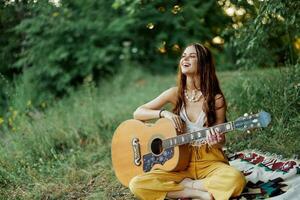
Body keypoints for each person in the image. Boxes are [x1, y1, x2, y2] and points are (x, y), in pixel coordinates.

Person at [129, 43, 246, 200]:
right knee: (136, 184)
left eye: (192, 56)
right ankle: (191, 191)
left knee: (236, 179)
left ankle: (186, 185)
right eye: (183, 55)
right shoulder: (175, 93)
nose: (185, 58)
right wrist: (164, 114)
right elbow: (138, 113)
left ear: (203, 63)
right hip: (177, 162)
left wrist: (215, 142)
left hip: (209, 160)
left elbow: (221, 140)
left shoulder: (216, 99)